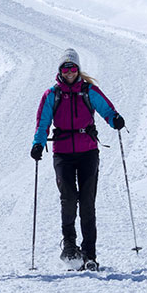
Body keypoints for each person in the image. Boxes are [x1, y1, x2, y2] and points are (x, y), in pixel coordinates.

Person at [30, 48, 125, 271]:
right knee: (69, 199)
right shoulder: (52, 94)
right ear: (60, 71)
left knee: (88, 202)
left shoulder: (89, 91)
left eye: (73, 68)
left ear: (78, 70)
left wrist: (115, 119)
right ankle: (70, 246)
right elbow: (42, 123)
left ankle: (90, 254)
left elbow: (106, 110)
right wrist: (38, 144)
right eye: (66, 68)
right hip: (63, 154)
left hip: (88, 152)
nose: (69, 72)